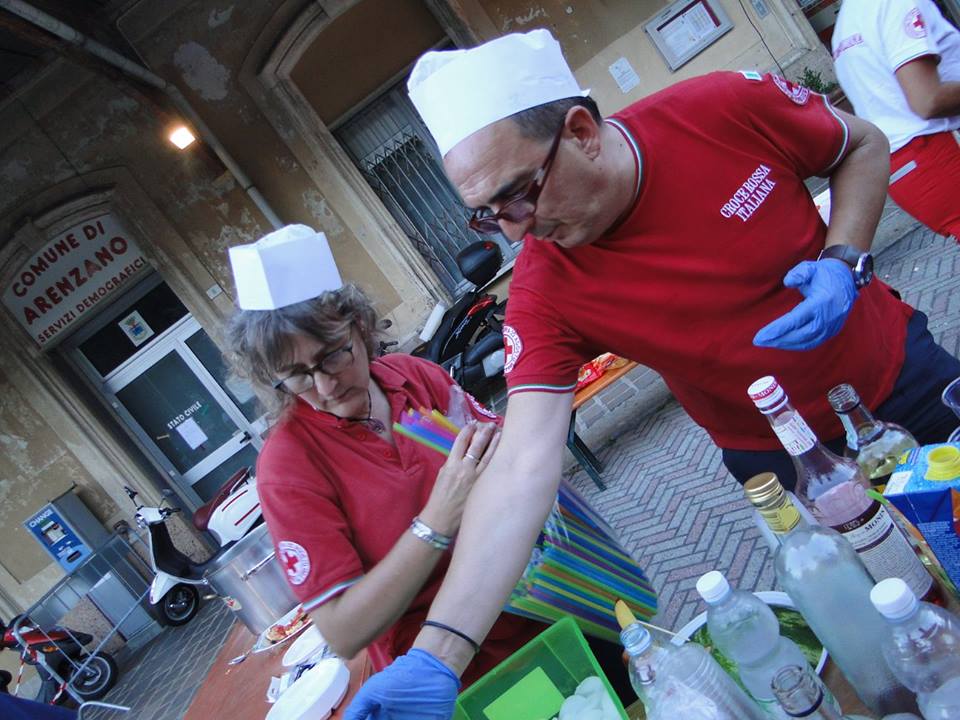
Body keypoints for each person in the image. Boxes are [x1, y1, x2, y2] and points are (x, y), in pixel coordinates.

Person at [344, 29, 960, 719]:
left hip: (900, 376)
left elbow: (861, 145)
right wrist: (438, 654)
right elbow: (522, 466)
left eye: (518, 195)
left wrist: (845, 258)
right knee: (896, 617)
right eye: (487, 216)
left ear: (581, 131)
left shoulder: (722, 107)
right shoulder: (545, 289)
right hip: (775, 458)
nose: (514, 232)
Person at [224, 226, 631, 695]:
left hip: (562, 605)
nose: (324, 386)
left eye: (333, 355)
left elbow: (513, 463)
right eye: (295, 377)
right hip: (477, 678)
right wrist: (437, 519)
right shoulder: (289, 467)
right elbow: (343, 629)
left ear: (359, 325)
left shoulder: (411, 377)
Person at [833, 0, 960, 240]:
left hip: (900, 164)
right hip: (934, 148)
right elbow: (927, 100)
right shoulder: (893, 3)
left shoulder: (845, 24)